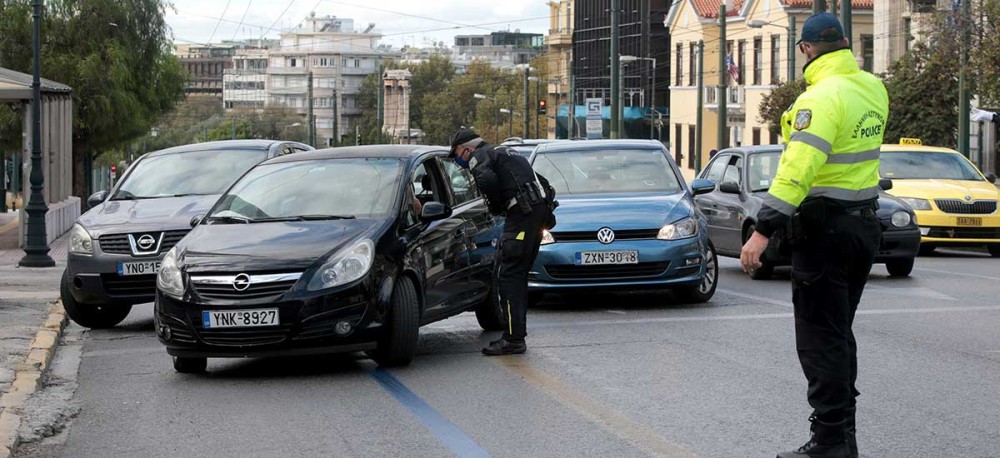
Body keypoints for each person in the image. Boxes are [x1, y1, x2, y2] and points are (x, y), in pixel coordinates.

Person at [739, 13, 888, 458]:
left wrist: (763, 230)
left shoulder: (820, 98)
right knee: (839, 333)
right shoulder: (872, 87)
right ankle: (844, 435)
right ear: (844, 43)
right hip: (863, 225)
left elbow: (797, 169)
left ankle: (829, 442)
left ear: (805, 49)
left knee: (820, 339)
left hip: (824, 230)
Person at [449, 128, 555, 356]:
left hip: (521, 218)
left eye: (457, 154)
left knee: (508, 277)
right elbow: (545, 184)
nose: (458, 160)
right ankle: (516, 336)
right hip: (534, 216)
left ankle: (513, 339)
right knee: (517, 276)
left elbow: (485, 178)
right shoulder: (507, 152)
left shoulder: (480, 156)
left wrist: (497, 207)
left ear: (466, 149)